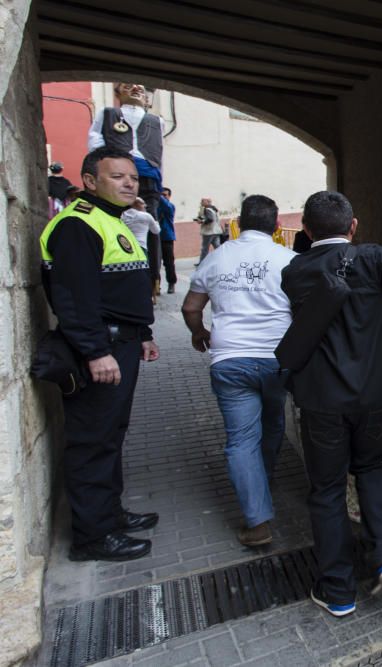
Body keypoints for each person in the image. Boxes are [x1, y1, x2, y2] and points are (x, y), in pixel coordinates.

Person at [280, 191, 382, 618]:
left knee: (328, 491)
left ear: (305, 230)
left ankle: (337, 590)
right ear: (353, 226)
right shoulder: (372, 259)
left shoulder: (294, 271)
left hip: (321, 401)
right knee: (371, 469)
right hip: (373, 396)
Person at [38, 147, 160, 562]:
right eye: (117, 177)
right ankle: (92, 537)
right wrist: (94, 351)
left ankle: (109, 513)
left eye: (132, 177)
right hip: (101, 349)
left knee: (111, 434)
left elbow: (121, 288)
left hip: (121, 343)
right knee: (92, 440)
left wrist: (141, 333)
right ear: (90, 181)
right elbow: (74, 298)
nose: (130, 183)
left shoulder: (112, 222)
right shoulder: (77, 226)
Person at [181, 195, 296, 547]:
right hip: (279, 359)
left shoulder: (216, 258)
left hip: (230, 360)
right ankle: (264, 475)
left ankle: (257, 521)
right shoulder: (289, 259)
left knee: (241, 439)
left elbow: (190, 307)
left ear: (238, 224)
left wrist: (199, 332)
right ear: (277, 226)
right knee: (274, 419)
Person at [87, 82, 165, 219]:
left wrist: (159, 176)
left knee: (149, 214)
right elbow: (95, 139)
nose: (135, 89)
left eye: (140, 89)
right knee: (116, 209)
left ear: (146, 98)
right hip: (117, 170)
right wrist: (103, 162)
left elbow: (159, 149)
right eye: (128, 87)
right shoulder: (108, 113)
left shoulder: (157, 121)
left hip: (148, 174)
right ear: (118, 94)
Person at [158, 187, 177, 294]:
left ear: (169, 196)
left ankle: (171, 283)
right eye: (161, 194)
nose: (162, 197)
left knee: (169, 263)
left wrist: (157, 195)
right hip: (155, 237)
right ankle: (157, 285)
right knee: (155, 263)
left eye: (165, 195)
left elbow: (166, 205)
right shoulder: (155, 206)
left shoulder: (170, 206)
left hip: (167, 237)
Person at [196, 197, 222, 263]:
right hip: (216, 231)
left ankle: (202, 263)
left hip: (209, 232)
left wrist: (201, 221)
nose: (201, 202)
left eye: (202, 201)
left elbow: (210, 219)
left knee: (205, 248)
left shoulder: (207, 209)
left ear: (207, 202)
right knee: (217, 247)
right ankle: (222, 259)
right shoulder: (214, 209)